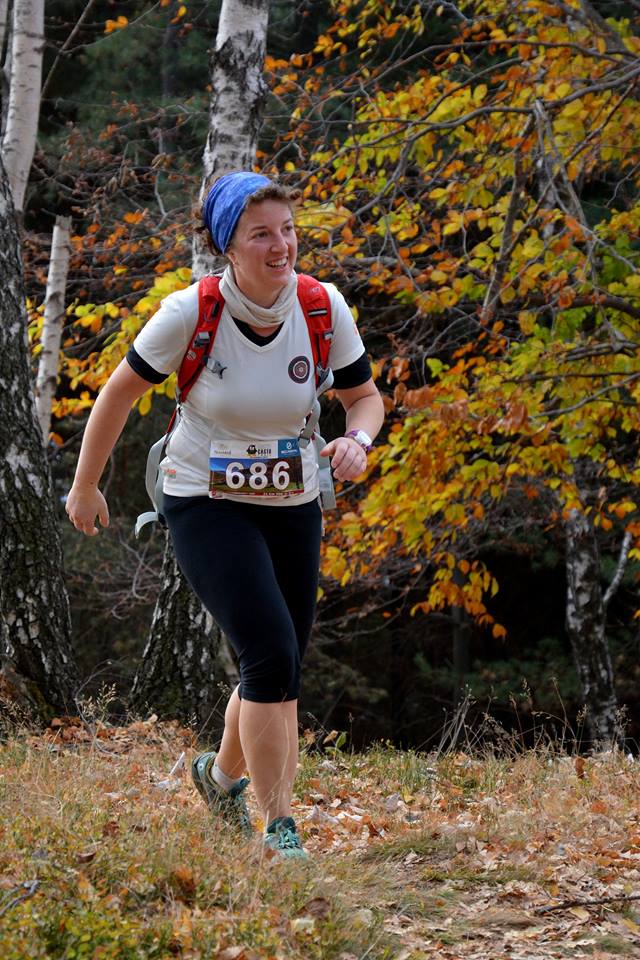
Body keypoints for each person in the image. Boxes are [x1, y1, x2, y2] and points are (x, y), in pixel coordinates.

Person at [66, 171, 384, 859]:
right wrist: (85, 486)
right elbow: (117, 395)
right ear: (227, 247)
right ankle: (280, 828)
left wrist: (357, 441)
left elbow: (365, 398)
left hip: (292, 498)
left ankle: (218, 779)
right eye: (260, 234)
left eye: (287, 230)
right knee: (269, 651)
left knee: (279, 661)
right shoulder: (190, 312)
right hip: (204, 498)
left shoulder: (322, 306)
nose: (281, 246)